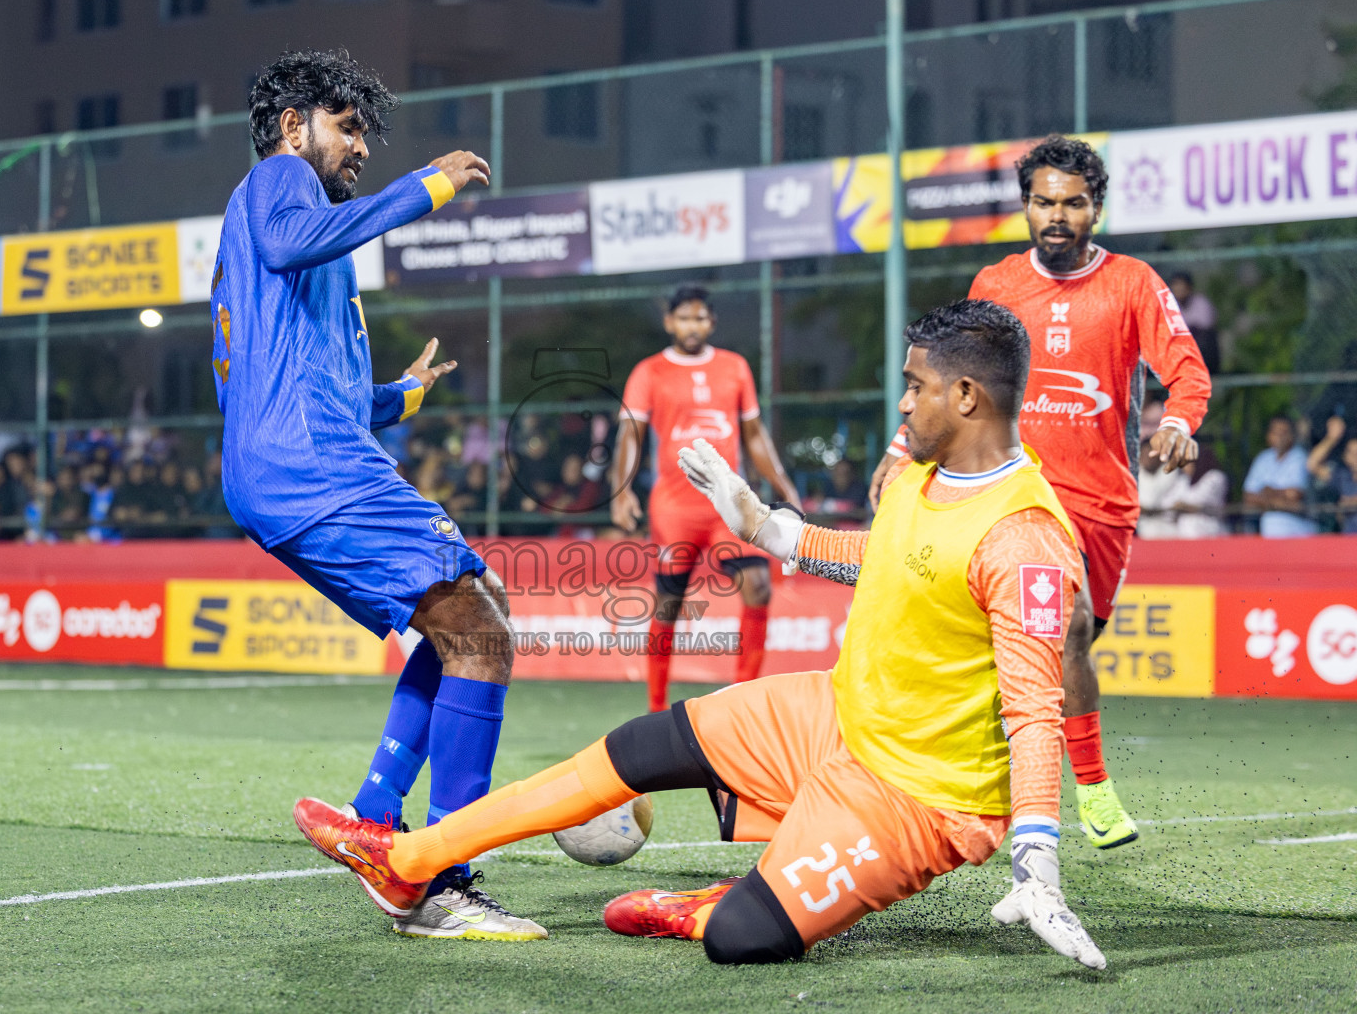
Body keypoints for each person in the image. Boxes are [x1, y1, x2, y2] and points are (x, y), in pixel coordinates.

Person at [295, 300, 1106, 971]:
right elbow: (886, 556)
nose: (902, 403)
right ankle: (405, 864)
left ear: (966, 396)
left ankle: (716, 905)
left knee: (742, 940)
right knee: (638, 746)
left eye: (915, 386)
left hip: (918, 798)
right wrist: (769, 528)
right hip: (837, 714)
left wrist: (1036, 855)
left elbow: (1034, 709)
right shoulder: (921, 475)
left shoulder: (1025, 538)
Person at [214, 49, 539, 941]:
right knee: (481, 632)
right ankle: (437, 878)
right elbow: (294, 239)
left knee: (472, 613)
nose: (360, 147)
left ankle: (377, 818)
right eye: (347, 128)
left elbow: (326, 392)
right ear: (293, 127)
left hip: (301, 461)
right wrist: (426, 187)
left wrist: (404, 395)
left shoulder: (297, 240)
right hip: (309, 467)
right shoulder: (281, 184)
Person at [866, 135, 1211, 850]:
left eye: (1073, 203)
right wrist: (903, 444)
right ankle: (1090, 791)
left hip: (1100, 501)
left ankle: (1002, 776)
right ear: (1025, 206)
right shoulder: (995, 283)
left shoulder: (1133, 283)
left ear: (1096, 209)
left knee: (1059, 648)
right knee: (1067, 626)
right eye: (1044, 202)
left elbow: (1187, 370)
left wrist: (1179, 421)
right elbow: (946, 376)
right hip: (1011, 491)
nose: (1058, 216)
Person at [611, 285, 802, 712]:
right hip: (675, 508)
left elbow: (754, 434)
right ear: (669, 323)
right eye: (683, 318)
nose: (692, 326)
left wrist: (786, 488)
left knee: (758, 587)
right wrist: (620, 492)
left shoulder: (734, 367)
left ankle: (740, 703)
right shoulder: (649, 371)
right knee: (669, 604)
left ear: (711, 322)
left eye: (699, 318)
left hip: (728, 505)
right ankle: (656, 708)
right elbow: (630, 435)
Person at [1243, 415, 1317, 538]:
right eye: (1275, 432)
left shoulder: (1299, 457)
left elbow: (1294, 495)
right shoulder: (1262, 459)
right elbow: (1249, 496)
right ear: (1268, 435)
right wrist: (1280, 501)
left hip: (1298, 535)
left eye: (1283, 433)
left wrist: (1266, 491)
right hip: (1269, 535)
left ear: (1292, 436)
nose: (1279, 437)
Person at [1159, 445, 1229, 539]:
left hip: (1210, 533)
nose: (1184, 467)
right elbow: (1166, 504)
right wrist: (1181, 506)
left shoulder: (1215, 477)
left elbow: (1199, 500)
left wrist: (1182, 506)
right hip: (1185, 536)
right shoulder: (1183, 481)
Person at [1307, 415, 1357, 534]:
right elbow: (1312, 464)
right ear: (1345, 457)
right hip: (1349, 538)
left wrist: (1350, 502)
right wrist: (1331, 438)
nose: (1356, 458)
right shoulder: (1343, 476)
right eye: (1352, 453)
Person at [1168, 271, 1219, 374]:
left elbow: (1205, 329)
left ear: (1189, 287)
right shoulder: (1169, 305)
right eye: (1176, 285)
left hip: (1200, 350)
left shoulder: (1201, 303)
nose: (1179, 289)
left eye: (1181, 285)